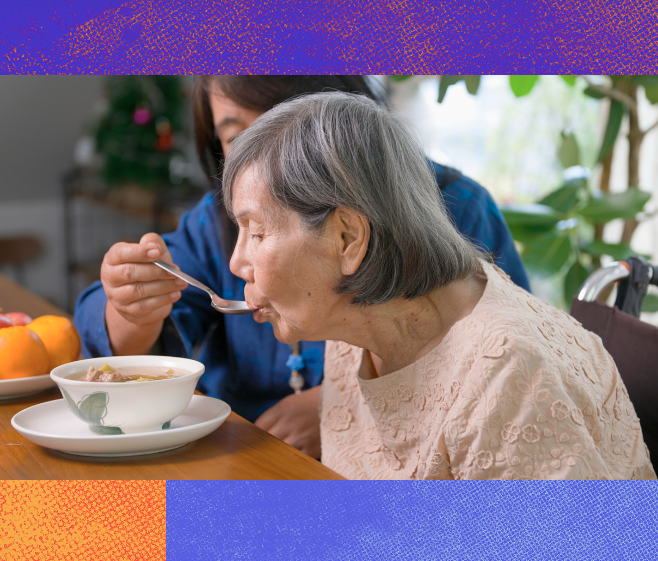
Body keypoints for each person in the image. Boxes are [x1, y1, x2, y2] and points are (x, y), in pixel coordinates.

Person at [73, 76, 530, 459]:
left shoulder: (455, 210)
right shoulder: (212, 224)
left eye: (282, 125)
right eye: (236, 138)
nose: (259, 159)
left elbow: (496, 366)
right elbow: (111, 339)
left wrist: (344, 405)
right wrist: (134, 306)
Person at [223, 92, 654, 479]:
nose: (236, 262)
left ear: (347, 239)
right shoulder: (355, 326)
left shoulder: (508, 381)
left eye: (256, 232)